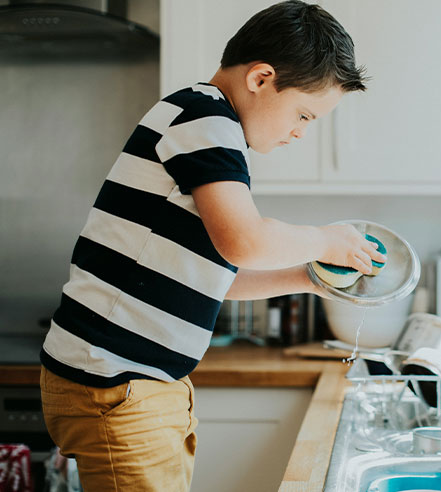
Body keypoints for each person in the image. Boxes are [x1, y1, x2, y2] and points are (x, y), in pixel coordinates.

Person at [39, 2, 385, 490]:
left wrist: (308, 279)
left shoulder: (207, 125)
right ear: (261, 78)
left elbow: (212, 275)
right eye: (303, 113)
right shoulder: (205, 118)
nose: (300, 132)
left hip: (135, 384)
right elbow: (245, 242)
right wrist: (326, 240)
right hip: (118, 382)